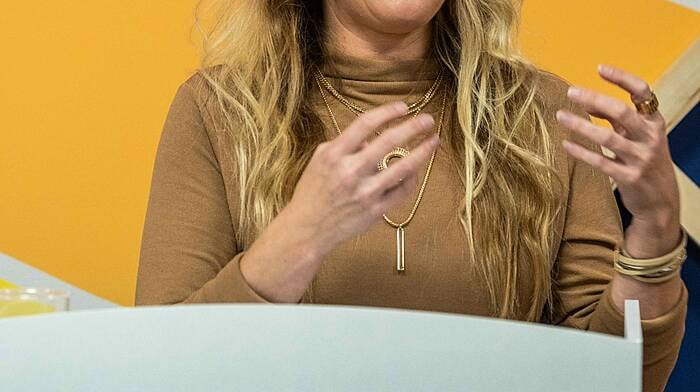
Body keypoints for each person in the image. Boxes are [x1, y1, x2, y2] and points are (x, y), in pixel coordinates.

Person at [135, 1, 688, 390]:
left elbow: (617, 377)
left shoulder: (542, 112)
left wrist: (656, 231)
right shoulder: (219, 111)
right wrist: (299, 237)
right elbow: (160, 370)